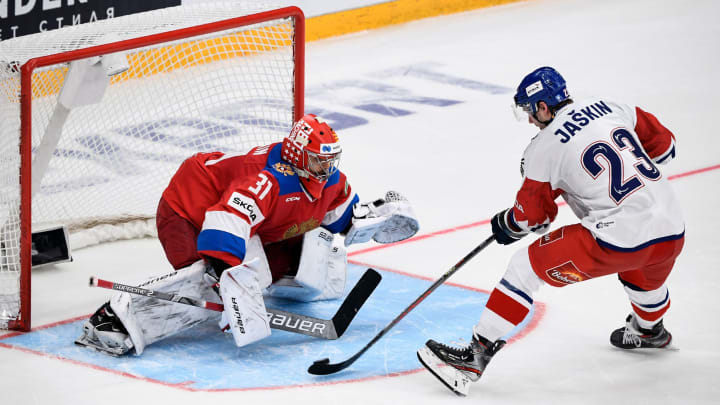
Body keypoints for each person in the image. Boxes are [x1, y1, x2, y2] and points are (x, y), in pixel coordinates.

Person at [417, 67, 684, 396]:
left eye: (531, 112)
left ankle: (475, 356)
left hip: (617, 238)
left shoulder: (543, 147)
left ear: (543, 107)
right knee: (642, 274)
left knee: (524, 267)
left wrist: (508, 223)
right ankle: (649, 330)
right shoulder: (612, 106)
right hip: (672, 228)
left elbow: (534, 218)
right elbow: (665, 147)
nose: (530, 121)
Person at [75, 114, 419, 356]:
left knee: (292, 254)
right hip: (189, 209)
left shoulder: (330, 181)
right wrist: (227, 279)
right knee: (205, 281)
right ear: (298, 155)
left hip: (253, 221)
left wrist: (374, 222)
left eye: (331, 161)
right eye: (319, 162)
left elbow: (339, 220)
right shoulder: (268, 180)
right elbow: (226, 222)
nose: (326, 170)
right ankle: (116, 319)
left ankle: (258, 280)